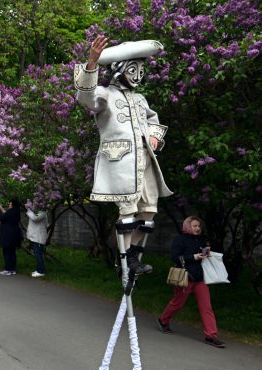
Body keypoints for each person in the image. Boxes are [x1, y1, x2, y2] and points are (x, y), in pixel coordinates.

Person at [74, 36, 172, 274]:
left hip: (145, 160)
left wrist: (155, 136)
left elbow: (152, 119)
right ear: (119, 70)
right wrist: (91, 64)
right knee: (127, 210)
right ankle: (123, 260)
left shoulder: (140, 98)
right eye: (132, 69)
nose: (138, 75)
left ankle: (132, 257)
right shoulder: (106, 94)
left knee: (149, 210)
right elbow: (85, 97)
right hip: (121, 163)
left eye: (141, 70)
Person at [157, 216, 225, 348]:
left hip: (200, 279)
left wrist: (206, 252)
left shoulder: (201, 239)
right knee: (177, 303)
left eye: (198, 226)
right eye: (194, 226)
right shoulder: (180, 239)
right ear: (188, 226)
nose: (197, 228)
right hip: (185, 278)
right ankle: (163, 320)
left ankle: (211, 336)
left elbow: (203, 255)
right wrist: (194, 257)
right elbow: (175, 257)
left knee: (207, 307)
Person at [0, 199, 23, 276]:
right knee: (12, 252)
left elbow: (1, 218)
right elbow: (6, 215)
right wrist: (1, 209)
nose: (9, 205)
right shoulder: (17, 211)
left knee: (6, 252)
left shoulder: (11, 211)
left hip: (8, 235)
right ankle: (13, 269)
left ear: (13, 204)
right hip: (14, 235)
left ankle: (7, 269)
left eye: (10, 204)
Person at [26, 204, 48, 277]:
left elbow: (35, 218)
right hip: (35, 237)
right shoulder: (39, 212)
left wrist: (28, 210)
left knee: (38, 254)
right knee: (37, 254)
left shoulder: (43, 213)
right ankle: (38, 269)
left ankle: (41, 271)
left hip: (38, 238)